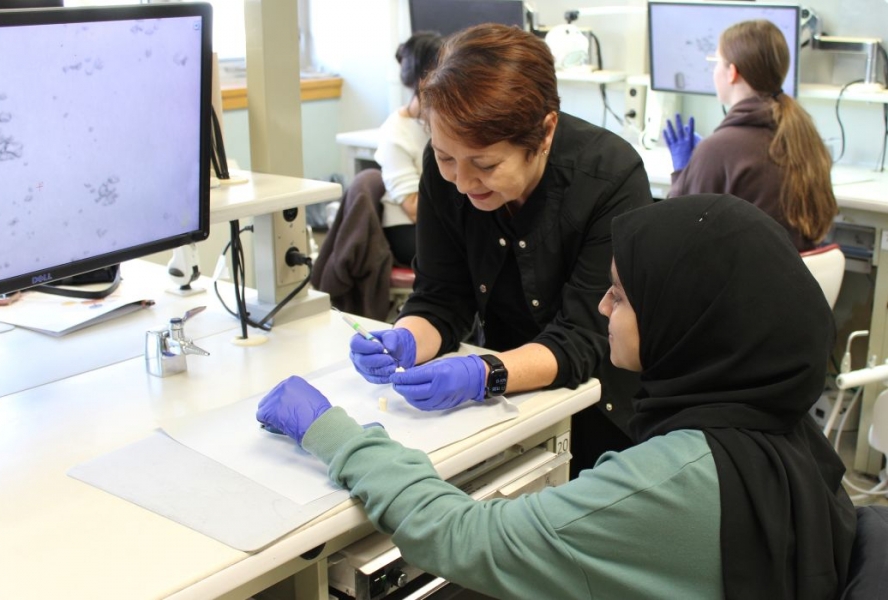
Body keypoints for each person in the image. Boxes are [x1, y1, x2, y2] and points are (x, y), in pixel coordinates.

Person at [257, 193, 856, 599]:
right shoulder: (778, 419)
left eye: (620, 296)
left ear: (686, 321)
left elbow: (469, 539)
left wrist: (331, 432)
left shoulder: (680, 479)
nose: (602, 308)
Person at [349, 23, 653, 473]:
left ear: (544, 133)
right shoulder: (444, 170)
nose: (462, 181)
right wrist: (408, 336)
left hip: (600, 408)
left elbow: (585, 336)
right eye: (446, 157)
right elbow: (440, 296)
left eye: (486, 165)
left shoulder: (609, 177)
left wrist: (484, 374)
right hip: (503, 402)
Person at [664, 19, 838, 252]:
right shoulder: (805, 136)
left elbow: (678, 234)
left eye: (716, 62)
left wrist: (682, 175)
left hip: (743, 285)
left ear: (732, 72)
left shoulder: (719, 149)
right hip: (790, 281)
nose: (714, 70)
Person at [374, 31, 443, 267]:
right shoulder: (396, 133)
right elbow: (414, 209)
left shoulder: (445, 122)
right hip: (408, 230)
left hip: (442, 222)